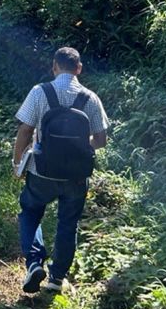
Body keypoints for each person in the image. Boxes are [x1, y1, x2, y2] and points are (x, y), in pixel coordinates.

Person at [12, 47, 109, 295]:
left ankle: (34, 263)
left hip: (41, 171)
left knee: (31, 213)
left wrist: (17, 163)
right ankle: (56, 279)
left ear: (54, 67)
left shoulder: (40, 92)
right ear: (79, 69)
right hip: (76, 176)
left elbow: (24, 131)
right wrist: (78, 145)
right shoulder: (90, 98)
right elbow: (100, 140)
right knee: (68, 223)